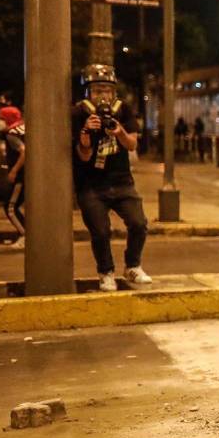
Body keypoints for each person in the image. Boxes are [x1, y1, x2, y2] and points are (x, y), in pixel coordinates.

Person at [71, 65, 151, 292]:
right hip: (91, 185)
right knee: (100, 231)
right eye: (97, 91)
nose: (103, 96)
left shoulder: (123, 110)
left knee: (139, 223)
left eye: (107, 90)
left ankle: (133, 266)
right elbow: (83, 155)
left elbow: (132, 144)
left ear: (114, 92)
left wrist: (119, 132)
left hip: (122, 181)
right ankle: (106, 272)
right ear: (88, 93)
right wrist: (86, 134)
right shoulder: (78, 114)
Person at [0, 106, 26, 248]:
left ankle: (25, 235)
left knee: (10, 208)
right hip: (27, 176)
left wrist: (14, 171)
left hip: (21, 177)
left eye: (1, 118)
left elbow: (24, 152)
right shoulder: (22, 128)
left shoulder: (11, 134)